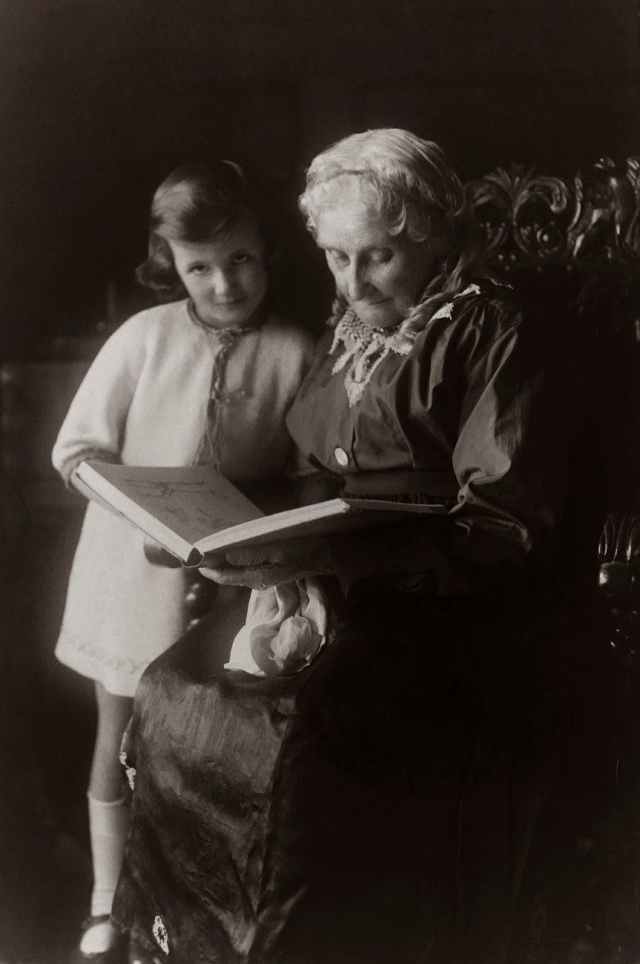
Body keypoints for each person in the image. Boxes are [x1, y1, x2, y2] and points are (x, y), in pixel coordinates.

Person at [113, 129, 577, 963]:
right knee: (173, 687)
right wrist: (226, 537)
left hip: (445, 610)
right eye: (334, 258)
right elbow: (311, 467)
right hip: (332, 581)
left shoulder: (492, 328)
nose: (353, 284)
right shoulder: (354, 327)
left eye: (378, 258)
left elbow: (505, 529)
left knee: (296, 731)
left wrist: (331, 561)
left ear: (434, 232)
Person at [51, 159, 316, 963]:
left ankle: (183, 902)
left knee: (202, 751)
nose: (225, 285)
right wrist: (136, 499)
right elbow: (77, 449)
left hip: (234, 582)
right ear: (171, 265)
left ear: (266, 251)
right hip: (132, 574)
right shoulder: (143, 338)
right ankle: (105, 900)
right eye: (199, 268)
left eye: (239, 260)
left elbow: (306, 470)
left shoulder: (298, 351)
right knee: (119, 731)